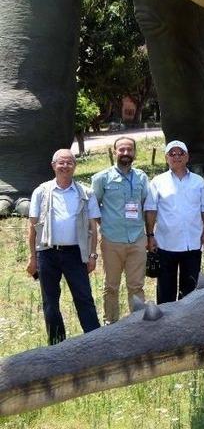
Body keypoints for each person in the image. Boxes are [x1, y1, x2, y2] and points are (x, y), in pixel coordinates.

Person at [28, 149, 101, 345]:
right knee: (50, 302)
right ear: (53, 166)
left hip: (75, 253)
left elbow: (93, 227)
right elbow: (33, 226)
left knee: (84, 298)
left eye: (69, 163)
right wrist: (32, 257)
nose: (65, 166)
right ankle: (57, 344)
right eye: (61, 163)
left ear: (75, 166)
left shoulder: (86, 193)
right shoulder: (41, 191)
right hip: (47, 252)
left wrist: (93, 255)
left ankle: (95, 341)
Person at [144, 140, 204, 304]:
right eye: (172, 154)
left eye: (180, 153)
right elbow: (151, 210)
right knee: (166, 291)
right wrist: (150, 235)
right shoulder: (157, 182)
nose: (176, 157)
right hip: (166, 244)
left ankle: (187, 323)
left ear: (187, 157)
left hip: (193, 243)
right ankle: (165, 325)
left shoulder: (198, 182)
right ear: (166, 158)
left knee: (189, 291)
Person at [91, 137, 148, 324]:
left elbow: (146, 206)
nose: (125, 153)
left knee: (137, 285)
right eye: (121, 150)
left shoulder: (142, 177)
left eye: (129, 150)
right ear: (114, 152)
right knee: (111, 286)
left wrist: (149, 235)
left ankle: (138, 322)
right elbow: (94, 208)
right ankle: (110, 324)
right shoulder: (101, 178)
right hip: (111, 240)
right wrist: (106, 224)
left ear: (134, 153)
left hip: (137, 239)